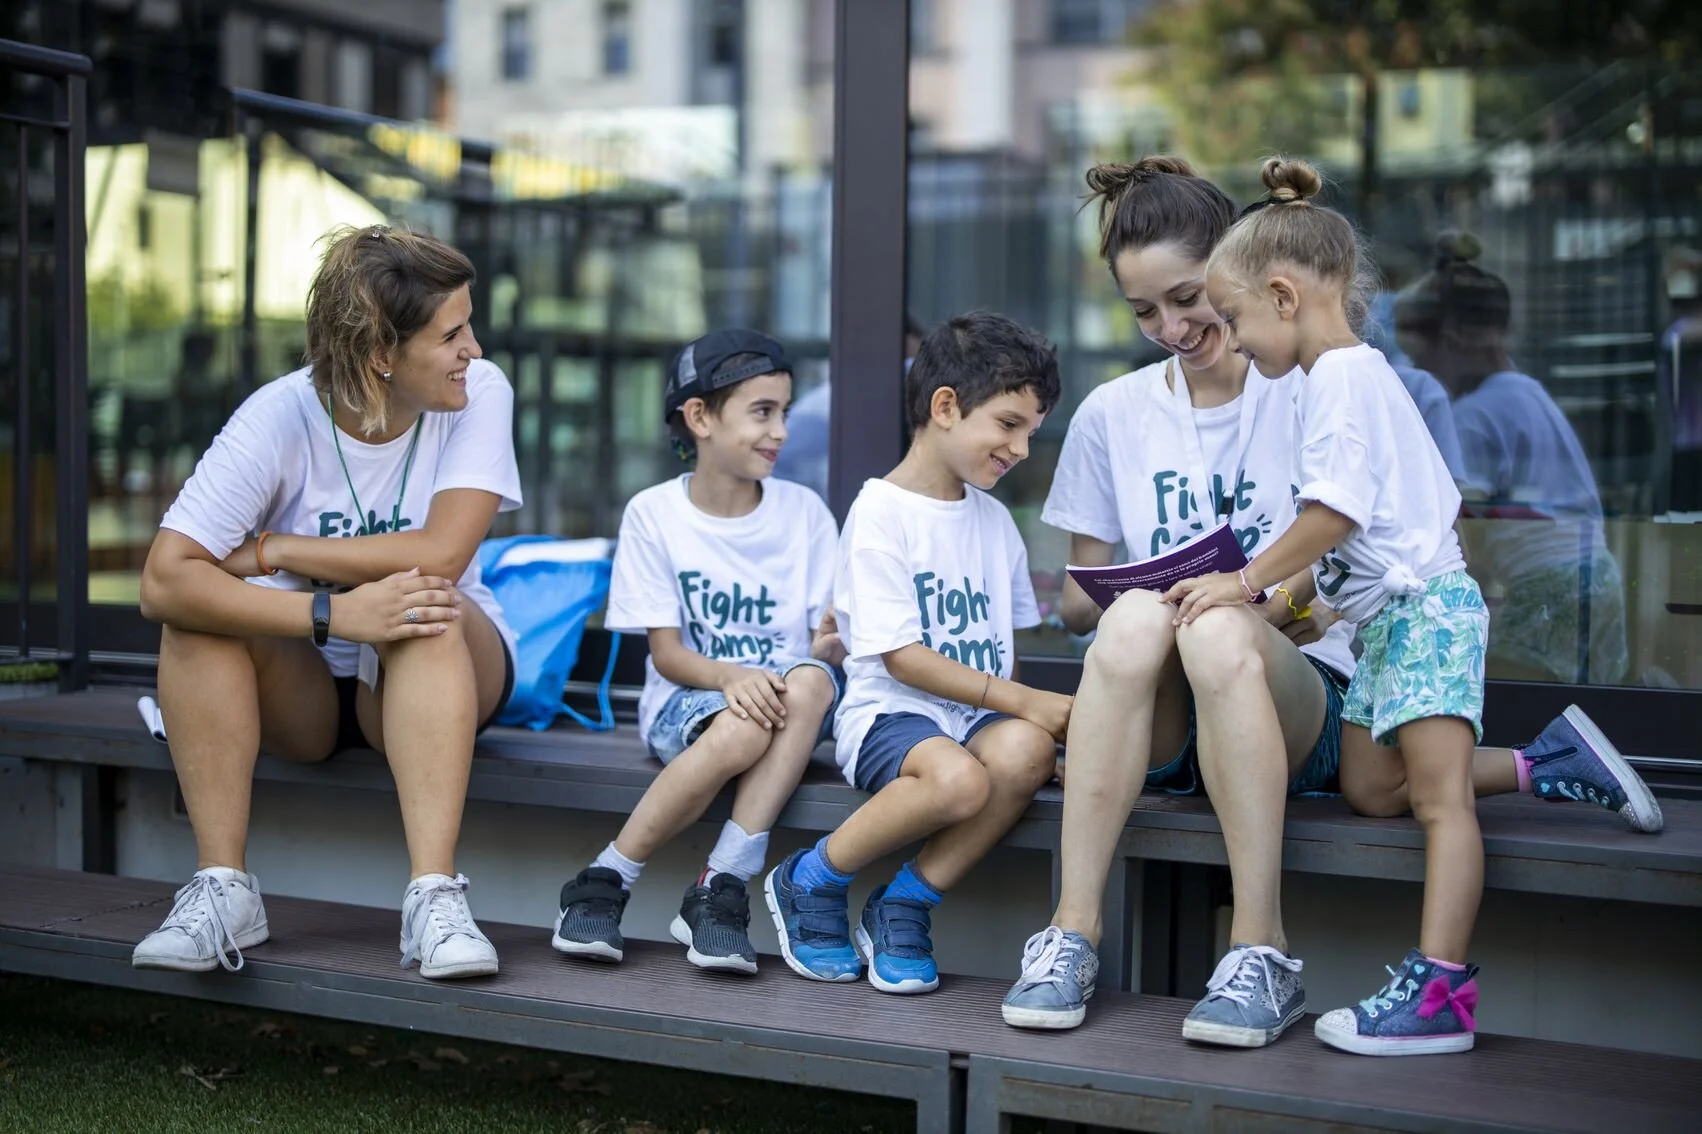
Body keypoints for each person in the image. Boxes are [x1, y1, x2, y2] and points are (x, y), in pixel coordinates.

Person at [1000, 158, 1661, 1047]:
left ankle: (1260, 951)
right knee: (1133, 619)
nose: (1174, 328)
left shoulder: (1325, 383)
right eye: (1142, 312)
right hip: (1157, 704)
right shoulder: (1115, 413)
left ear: (1251, 283)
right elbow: (1082, 602)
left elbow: (1360, 528)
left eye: (1195, 301)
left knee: (1229, 635)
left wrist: (1260, 595)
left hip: (1288, 690)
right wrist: (1117, 588)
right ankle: (1069, 933)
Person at [133, 224, 522, 980]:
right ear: (381, 354)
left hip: (442, 670)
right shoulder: (277, 417)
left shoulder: (479, 392)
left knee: (424, 599)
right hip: (306, 685)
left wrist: (277, 551)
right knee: (196, 614)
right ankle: (224, 888)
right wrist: (332, 615)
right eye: (451, 334)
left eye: (468, 324)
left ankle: (434, 899)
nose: (472, 347)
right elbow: (164, 579)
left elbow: (443, 550)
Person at [764, 311, 1071, 995]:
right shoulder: (880, 512)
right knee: (960, 779)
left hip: (971, 719)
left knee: (1024, 753)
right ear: (945, 407)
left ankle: (905, 901)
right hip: (891, 716)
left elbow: (1003, 651)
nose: (1022, 448)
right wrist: (1025, 703)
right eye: (1009, 424)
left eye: (1033, 430)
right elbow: (900, 658)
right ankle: (809, 879)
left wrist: (1023, 726)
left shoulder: (995, 522)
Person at [551, 329, 843, 974]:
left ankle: (719, 883)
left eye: (784, 413)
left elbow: (818, 649)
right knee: (743, 730)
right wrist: (733, 678)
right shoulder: (655, 514)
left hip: (787, 707)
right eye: (762, 412)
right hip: (688, 701)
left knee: (813, 682)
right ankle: (612, 878)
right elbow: (667, 656)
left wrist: (834, 642)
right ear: (700, 417)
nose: (781, 432)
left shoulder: (806, 513)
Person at [1396, 233, 1629, 686]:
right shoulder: (1527, 390)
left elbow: (1465, 526)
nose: (1421, 376)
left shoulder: (1472, 416)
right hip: (1597, 572)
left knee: (1502, 697)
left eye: (1419, 359)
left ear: (1454, 340)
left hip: (1546, 583)